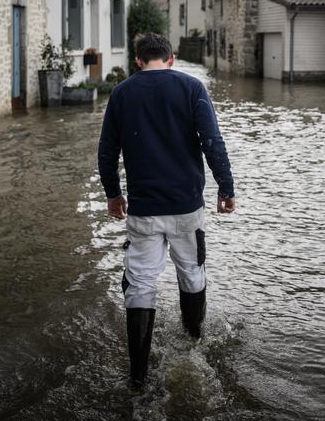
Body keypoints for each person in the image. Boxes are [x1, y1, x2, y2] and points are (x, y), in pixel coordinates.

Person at [97, 32, 236, 389]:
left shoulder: (122, 93)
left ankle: (138, 377)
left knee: (140, 285)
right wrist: (226, 188)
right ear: (171, 58)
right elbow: (212, 143)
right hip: (186, 207)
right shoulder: (191, 88)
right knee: (192, 272)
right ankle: (193, 348)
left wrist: (113, 195)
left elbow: (107, 151)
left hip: (143, 210)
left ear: (139, 61)